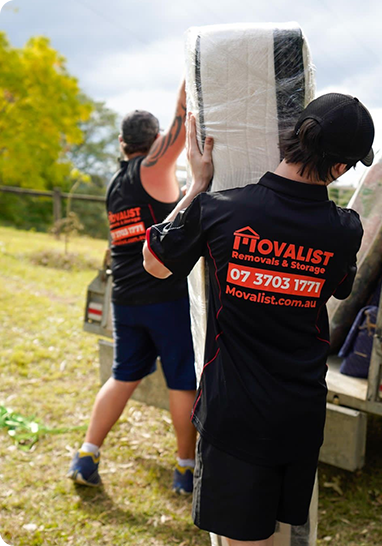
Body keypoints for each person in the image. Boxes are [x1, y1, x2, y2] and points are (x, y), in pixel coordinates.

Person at [143, 93, 374, 545]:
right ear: (342, 167)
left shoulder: (220, 210)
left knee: (242, 538)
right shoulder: (345, 229)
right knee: (279, 529)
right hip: (300, 412)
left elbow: (154, 262)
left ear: (290, 137)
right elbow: (340, 286)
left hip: (236, 413)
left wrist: (196, 186)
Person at [67, 78, 198, 495]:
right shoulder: (152, 169)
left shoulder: (115, 182)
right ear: (153, 142)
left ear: (123, 144)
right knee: (181, 380)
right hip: (165, 298)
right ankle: (185, 471)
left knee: (123, 376)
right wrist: (186, 83)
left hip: (124, 298)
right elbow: (178, 128)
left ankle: (86, 455)